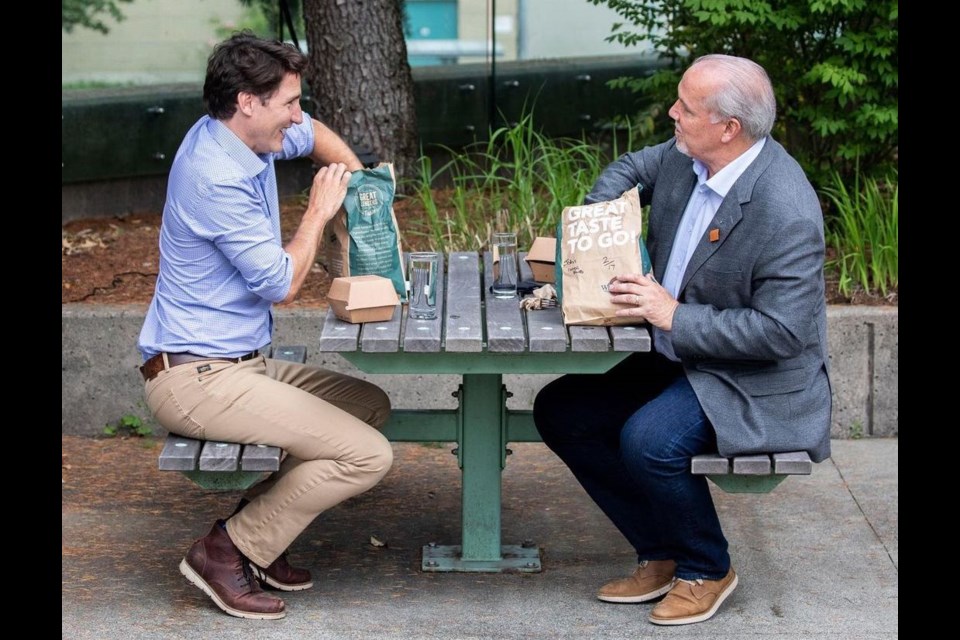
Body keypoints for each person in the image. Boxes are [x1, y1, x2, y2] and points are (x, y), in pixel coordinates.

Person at [534, 54, 831, 626]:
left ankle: (707, 566)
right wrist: (604, 227)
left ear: (729, 128)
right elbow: (628, 169)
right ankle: (662, 548)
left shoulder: (785, 209)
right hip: (679, 351)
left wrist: (673, 315)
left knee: (650, 440)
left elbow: (784, 332)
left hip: (748, 374)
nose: (672, 112)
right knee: (562, 409)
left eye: (685, 108)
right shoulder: (685, 154)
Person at [137, 32, 394, 620]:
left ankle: (260, 535)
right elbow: (279, 284)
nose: (297, 116)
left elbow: (316, 135)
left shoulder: (246, 135)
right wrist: (319, 212)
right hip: (195, 379)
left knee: (367, 403)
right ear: (248, 101)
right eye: (289, 103)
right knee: (366, 456)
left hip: (237, 363)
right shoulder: (213, 175)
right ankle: (227, 551)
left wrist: (358, 183)